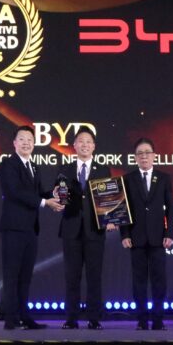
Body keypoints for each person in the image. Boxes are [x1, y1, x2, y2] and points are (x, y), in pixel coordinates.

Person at [0, 125, 65, 330]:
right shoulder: (8, 164)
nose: (26, 143)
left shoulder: (34, 166)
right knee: (12, 274)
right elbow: (15, 192)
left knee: (26, 275)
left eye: (30, 140)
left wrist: (52, 195)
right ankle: (10, 319)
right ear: (14, 143)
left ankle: (24, 316)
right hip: (13, 228)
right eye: (22, 139)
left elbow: (36, 193)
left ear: (34, 144)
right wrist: (45, 202)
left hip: (30, 229)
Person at [55, 127, 116, 330]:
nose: (85, 145)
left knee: (94, 276)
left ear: (94, 146)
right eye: (81, 141)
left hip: (95, 229)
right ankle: (71, 319)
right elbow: (61, 196)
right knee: (71, 276)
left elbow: (109, 199)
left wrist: (111, 218)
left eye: (88, 142)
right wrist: (59, 199)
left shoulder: (103, 169)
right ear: (74, 145)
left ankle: (94, 318)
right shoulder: (65, 169)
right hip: (71, 228)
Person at [121, 137, 173, 331]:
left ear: (154, 156)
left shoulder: (164, 178)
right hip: (135, 238)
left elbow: (171, 208)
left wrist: (170, 233)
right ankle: (142, 320)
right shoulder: (128, 179)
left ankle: (158, 320)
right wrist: (124, 234)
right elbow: (123, 209)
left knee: (159, 281)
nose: (144, 156)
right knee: (139, 282)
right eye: (140, 153)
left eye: (147, 153)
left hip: (158, 238)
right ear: (135, 157)